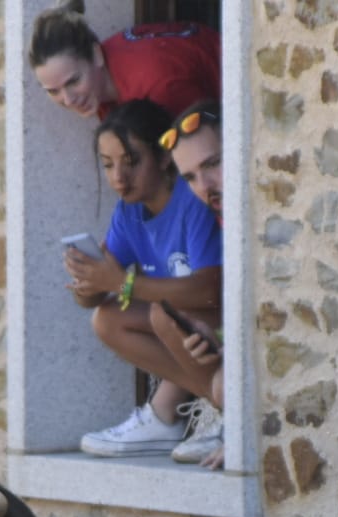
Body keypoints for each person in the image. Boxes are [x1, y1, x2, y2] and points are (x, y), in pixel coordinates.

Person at [63, 100, 222, 458]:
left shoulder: (190, 198)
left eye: (131, 161)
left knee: (160, 314)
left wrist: (121, 283)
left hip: (220, 320)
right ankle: (176, 416)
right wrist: (87, 284)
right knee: (106, 319)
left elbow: (211, 290)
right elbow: (99, 290)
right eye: (108, 165)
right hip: (184, 323)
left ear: (164, 158)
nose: (119, 176)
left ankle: (221, 411)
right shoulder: (129, 210)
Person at [154, 101, 227, 468]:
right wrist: (217, 344)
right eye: (190, 177)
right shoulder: (223, 216)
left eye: (213, 164)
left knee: (225, 385)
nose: (205, 187)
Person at [29, 1, 220, 122]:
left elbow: (207, 148)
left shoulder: (154, 86)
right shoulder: (99, 84)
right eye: (53, 91)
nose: (68, 99)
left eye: (73, 81)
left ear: (96, 55)